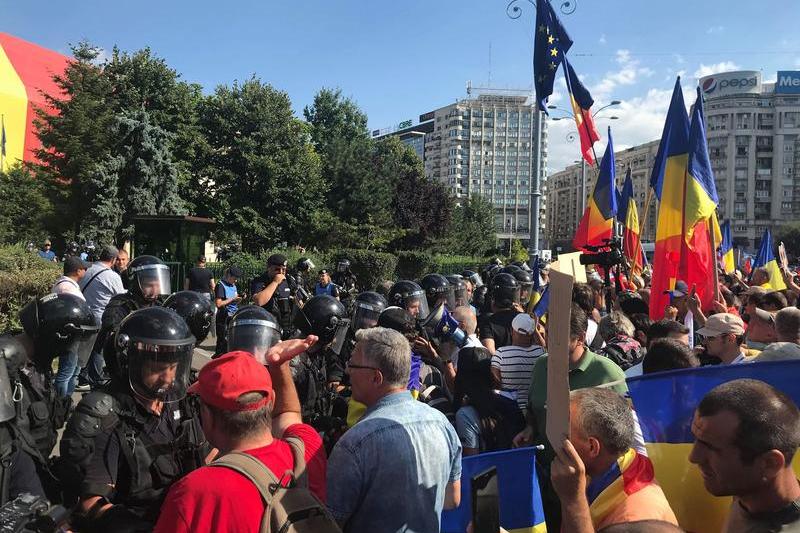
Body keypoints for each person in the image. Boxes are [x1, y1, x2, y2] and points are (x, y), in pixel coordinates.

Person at [59, 306, 208, 530]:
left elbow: (210, 453)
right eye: (157, 369)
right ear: (130, 363)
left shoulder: (180, 402)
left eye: (173, 367)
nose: (168, 378)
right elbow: (91, 503)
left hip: (188, 515)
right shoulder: (107, 415)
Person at [153, 344, 328, 533]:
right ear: (271, 401)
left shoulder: (193, 494)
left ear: (207, 416)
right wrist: (279, 365)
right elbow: (289, 413)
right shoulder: (306, 450)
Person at [326, 327, 462, 532]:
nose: (347, 371)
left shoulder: (354, 443)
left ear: (376, 377)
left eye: (352, 364)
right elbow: (452, 499)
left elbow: (329, 524)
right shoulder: (441, 423)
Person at [515, 304, 628, 530]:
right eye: (548, 334)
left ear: (580, 338)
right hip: (546, 481)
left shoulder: (607, 373)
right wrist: (530, 428)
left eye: (558, 337)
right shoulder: (541, 366)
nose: (549, 342)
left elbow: (624, 435)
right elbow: (534, 408)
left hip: (591, 490)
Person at [550, 388, 677, 531]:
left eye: (564, 433)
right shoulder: (605, 466)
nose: (555, 439)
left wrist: (573, 501)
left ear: (592, 447)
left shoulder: (633, 519)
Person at [690, 379, 800, 532]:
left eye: (711, 448)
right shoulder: (747, 492)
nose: (693, 457)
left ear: (770, 463)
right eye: (696, 439)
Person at [15, 293, 99, 454]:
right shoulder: (9, 369)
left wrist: (81, 411)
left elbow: (47, 406)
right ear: (57, 337)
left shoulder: (38, 363)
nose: (71, 348)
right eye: (73, 341)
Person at [290, 295, 350, 434]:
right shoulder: (294, 363)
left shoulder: (317, 354)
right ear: (326, 329)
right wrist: (316, 422)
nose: (336, 338)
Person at [455, 347, 524, 456]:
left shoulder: (465, 415)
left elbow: (473, 461)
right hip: (516, 462)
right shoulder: (509, 399)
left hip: (489, 466)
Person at [78, 245, 125, 389]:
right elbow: (121, 296)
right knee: (99, 349)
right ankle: (97, 379)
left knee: (86, 348)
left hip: (83, 313)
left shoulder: (87, 270)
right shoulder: (112, 276)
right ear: (113, 259)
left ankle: (83, 377)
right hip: (100, 316)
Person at [491, 313, 546, 410]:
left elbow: (496, 383)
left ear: (512, 331)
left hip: (510, 410)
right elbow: (544, 346)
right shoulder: (540, 352)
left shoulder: (501, 353)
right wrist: (535, 331)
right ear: (532, 333)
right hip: (534, 410)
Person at [252, 254, 295, 339]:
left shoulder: (289, 280)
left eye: (284, 269)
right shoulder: (259, 281)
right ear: (268, 268)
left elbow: (299, 302)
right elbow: (259, 301)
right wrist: (275, 282)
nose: (281, 272)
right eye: (277, 269)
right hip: (267, 328)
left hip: (286, 328)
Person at [479, 273, 521, 354]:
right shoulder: (523, 318)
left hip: (500, 361)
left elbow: (490, 352)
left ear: (493, 298)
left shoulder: (488, 323)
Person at [214, 266, 243, 355]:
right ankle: (218, 356)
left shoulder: (233, 285)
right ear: (229, 276)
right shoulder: (220, 285)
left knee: (231, 341)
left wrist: (239, 299)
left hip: (233, 315)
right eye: (235, 278)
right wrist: (232, 299)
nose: (236, 281)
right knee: (222, 342)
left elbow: (234, 301)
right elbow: (218, 304)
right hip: (224, 317)